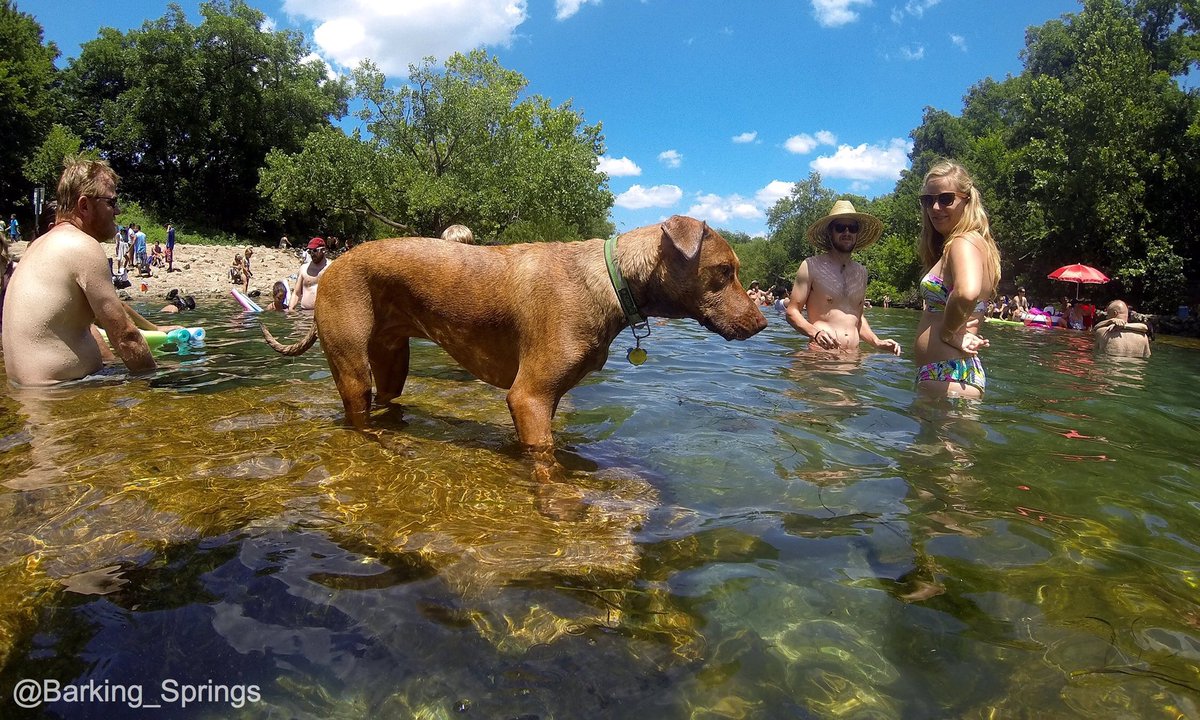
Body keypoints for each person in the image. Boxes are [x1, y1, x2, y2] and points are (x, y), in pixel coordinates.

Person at [2, 156, 176, 385]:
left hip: (31, 396)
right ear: (84, 206)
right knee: (178, 377)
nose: (118, 211)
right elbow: (126, 337)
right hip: (63, 398)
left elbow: (99, 323)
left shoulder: (38, 248)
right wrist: (156, 385)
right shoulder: (81, 246)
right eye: (111, 203)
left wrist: (154, 329)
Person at [913, 160, 1002, 399]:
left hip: (948, 375)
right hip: (953, 375)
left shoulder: (963, 242)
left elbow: (966, 292)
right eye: (928, 200)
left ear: (967, 200)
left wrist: (948, 333)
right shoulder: (977, 243)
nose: (935, 207)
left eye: (945, 199)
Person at [784, 199, 901, 355]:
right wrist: (815, 333)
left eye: (852, 228)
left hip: (853, 358)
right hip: (820, 356)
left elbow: (857, 318)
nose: (847, 233)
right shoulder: (811, 266)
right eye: (840, 228)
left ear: (857, 233)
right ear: (830, 232)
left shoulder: (862, 272)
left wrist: (876, 341)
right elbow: (792, 312)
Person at [291, 237, 330, 310]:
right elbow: (296, 293)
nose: (312, 254)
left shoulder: (331, 268)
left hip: (324, 315)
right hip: (304, 315)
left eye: (315, 251)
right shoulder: (304, 268)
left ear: (323, 250)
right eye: (310, 251)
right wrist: (290, 310)